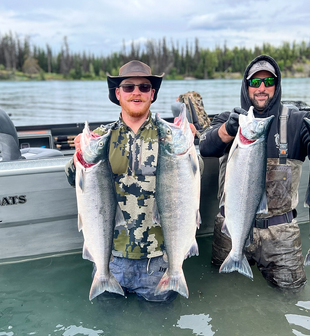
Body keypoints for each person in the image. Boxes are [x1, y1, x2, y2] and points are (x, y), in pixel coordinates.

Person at [65, 60, 196, 303]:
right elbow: (73, 179)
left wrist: (191, 150)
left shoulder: (170, 135)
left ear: (152, 94)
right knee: (109, 325)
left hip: (158, 262)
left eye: (144, 87)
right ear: (117, 93)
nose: (136, 92)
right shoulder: (101, 137)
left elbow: (191, 182)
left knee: (161, 326)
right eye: (128, 87)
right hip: (111, 259)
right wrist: (77, 159)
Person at [199, 54, 310, 290]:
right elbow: (206, 147)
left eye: (269, 83)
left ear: (277, 86)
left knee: (290, 294)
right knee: (225, 295)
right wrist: (228, 130)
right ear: (246, 85)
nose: (262, 88)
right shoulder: (229, 120)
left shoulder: (298, 122)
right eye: (255, 82)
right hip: (231, 227)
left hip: (281, 235)